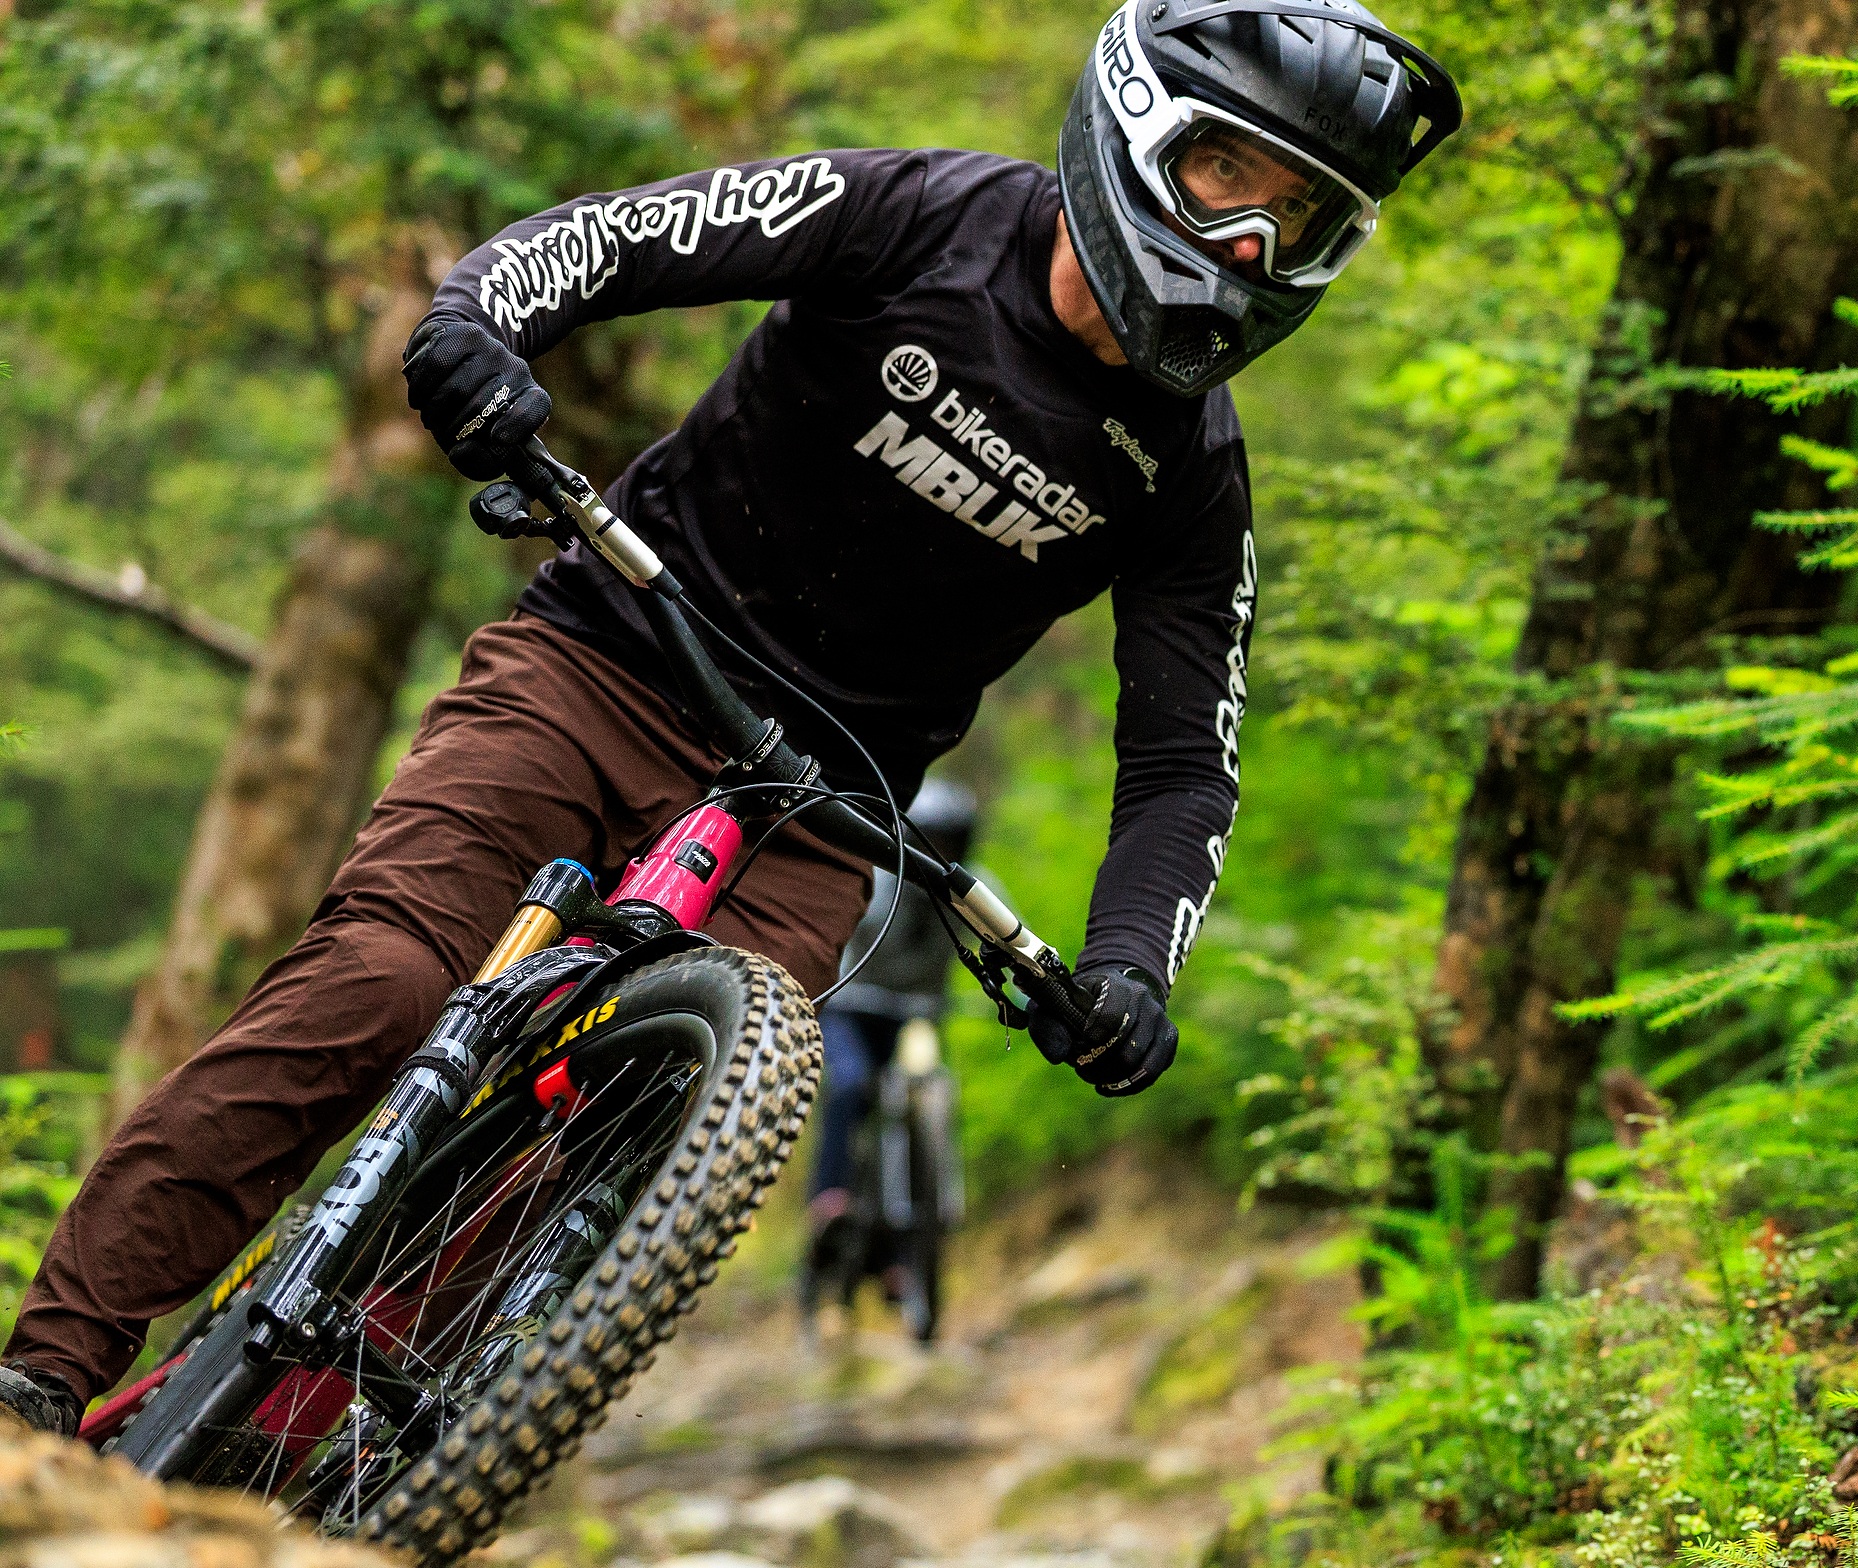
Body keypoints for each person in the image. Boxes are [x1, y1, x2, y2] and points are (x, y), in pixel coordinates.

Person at [0, 0, 1461, 1436]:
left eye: (1297, 218)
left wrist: (1135, 962)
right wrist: (475, 324)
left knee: (603, 1151)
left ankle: (286, 1463)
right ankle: (42, 1378)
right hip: (604, 666)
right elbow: (618, 237)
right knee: (378, 985)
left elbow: (1185, 764)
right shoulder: (922, 215)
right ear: (1138, 127)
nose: (1250, 245)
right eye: (1226, 175)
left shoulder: (1189, 471)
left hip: (817, 817)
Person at [805, 777, 977, 1241]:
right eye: (930, 840)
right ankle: (830, 1197)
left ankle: (914, 1239)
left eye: (949, 842)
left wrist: (1030, 995)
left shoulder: (972, 889)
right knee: (850, 1084)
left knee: (927, 1089)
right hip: (850, 1007)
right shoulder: (881, 882)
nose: (938, 853)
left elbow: (1008, 936)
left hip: (914, 1015)